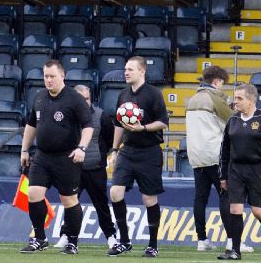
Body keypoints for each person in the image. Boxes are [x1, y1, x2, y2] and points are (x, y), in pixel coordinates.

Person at [18, 60, 93, 255]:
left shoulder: (74, 99)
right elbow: (31, 125)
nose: (48, 80)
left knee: (68, 200)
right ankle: (40, 238)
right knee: (33, 194)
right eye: (46, 76)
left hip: (66, 157)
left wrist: (81, 148)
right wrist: (25, 150)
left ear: (62, 76)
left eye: (52, 76)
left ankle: (72, 242)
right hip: (42, 156)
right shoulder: (39, 97)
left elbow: (88, 126)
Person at [185, 65, 255, 252]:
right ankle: (232, 240)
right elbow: (234, 121)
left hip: (196, 155)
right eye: (222, 84)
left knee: (200, 198)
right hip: (215, 155)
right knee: (227, 197)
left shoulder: (192, 99)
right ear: (217, 82)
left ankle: (202, 240)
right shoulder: (215, 98)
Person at [106, 56, 170, 257]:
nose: (126, 72)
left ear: (142, 72)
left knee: (149, 198)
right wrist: (114, 150)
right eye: (125, 69)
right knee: (115, 192)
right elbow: (118, 125)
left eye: (131, 69)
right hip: (127, 151)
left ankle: (153, 245)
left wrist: (143, 128)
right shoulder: (123, 95)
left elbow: (163, 122)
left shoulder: (153, 94)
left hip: (149, 151)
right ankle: (124, 240)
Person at [217, 84, 261, 260]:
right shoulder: (232, 120)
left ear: (251, 100)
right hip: (236, 170)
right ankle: (235, 251)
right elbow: (224, 149)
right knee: (235, 209)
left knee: (258, 212)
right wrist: (223, 175)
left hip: (257, 170)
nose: (235, 101)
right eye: (235, 97)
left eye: (239, 98)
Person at [53, 85, 118, 249]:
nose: (84, 102)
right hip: (73, 169)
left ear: (91, 99)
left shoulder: (101, 116)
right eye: (80, 99)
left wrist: (100, 155)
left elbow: (111, 140)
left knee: (101, 205)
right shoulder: (66, 117)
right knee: (70, 204)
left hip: (95, 169)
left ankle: (111, 236)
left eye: (87, 98)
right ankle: (66, 235)